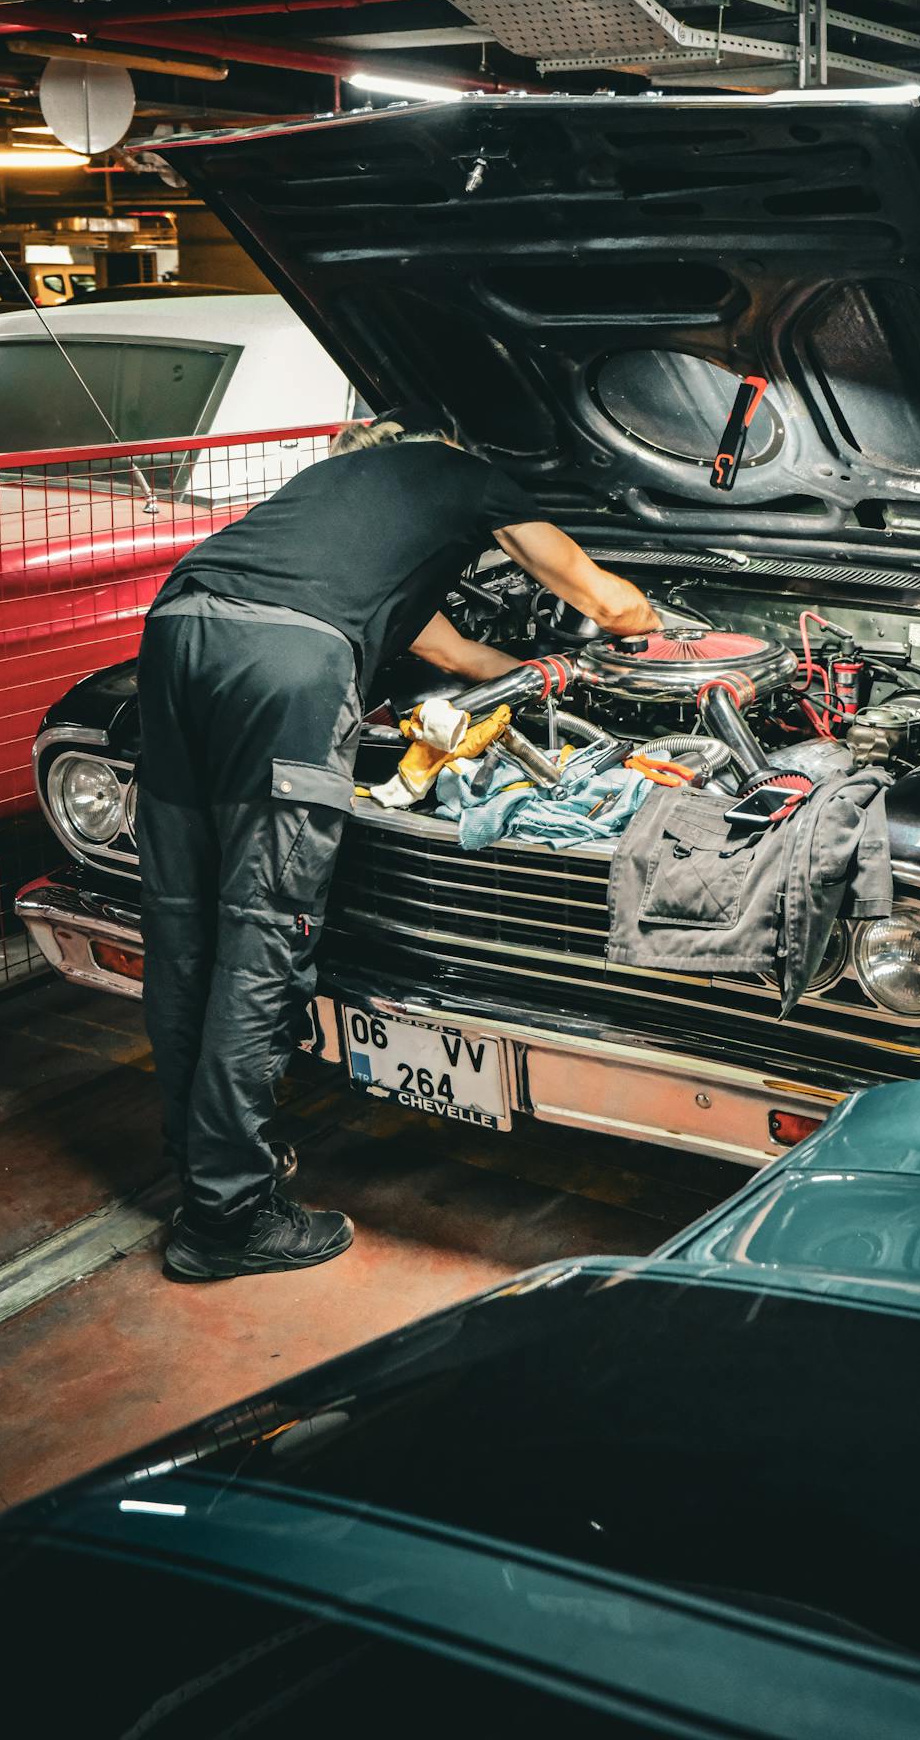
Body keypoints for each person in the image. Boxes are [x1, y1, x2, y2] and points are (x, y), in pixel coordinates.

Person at [138, 410, 659, 1282]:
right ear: (454, 445)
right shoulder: (466, 477)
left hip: (175, 633)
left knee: (184, 925)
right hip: (283, 664)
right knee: (262, 939)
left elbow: (457, 654)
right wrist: (651, 636)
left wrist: (545, 679)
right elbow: (609, 602)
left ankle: (201, 1165)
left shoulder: (335, 498)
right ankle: (227, 1220)